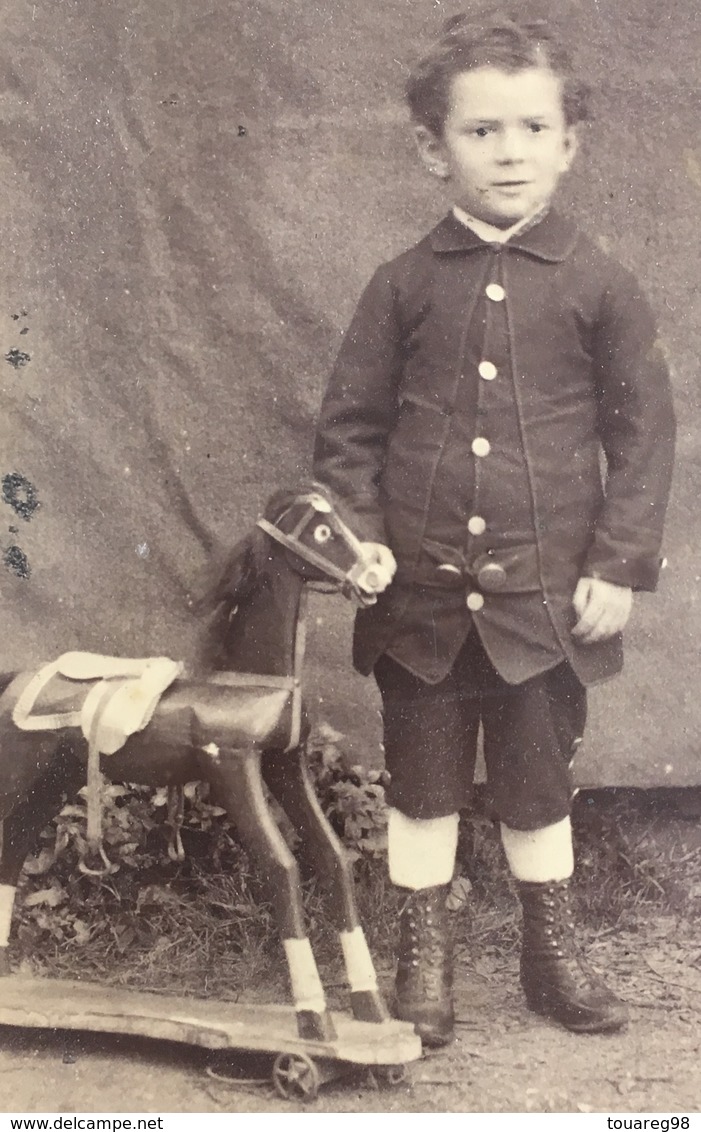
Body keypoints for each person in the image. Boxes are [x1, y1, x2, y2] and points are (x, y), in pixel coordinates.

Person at [313, 7, 676, 1048]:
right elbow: (348, 430)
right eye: (479, 131)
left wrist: (617, 563)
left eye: (528, 128)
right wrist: (357, 539)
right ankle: (420, 958)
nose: (506, 151)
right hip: (416, 598)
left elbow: (640, 433)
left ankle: (547, 952)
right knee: (422, 784)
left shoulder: (599, 283)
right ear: (433, 149)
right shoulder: (401, 283)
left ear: (568, 143)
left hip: (542, 601)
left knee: (533, 782)